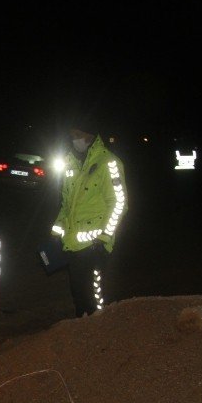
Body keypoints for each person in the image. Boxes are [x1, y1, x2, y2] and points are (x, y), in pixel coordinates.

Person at [49, 121, 128, 317]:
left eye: (77, 134)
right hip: (73, 245)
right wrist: (57, 230)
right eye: (72, 135)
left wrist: (105, 237)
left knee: (96, 300)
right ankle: (82, 336)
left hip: (95, 245)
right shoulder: (69, 163)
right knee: (79, 296)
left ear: (89, 134)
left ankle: (100, 338)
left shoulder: (109, 162)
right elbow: (67, 205)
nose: (74, 139)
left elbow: (119, 204)